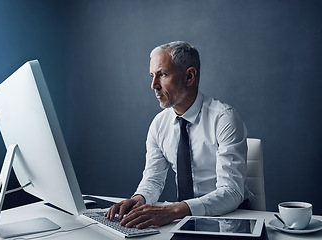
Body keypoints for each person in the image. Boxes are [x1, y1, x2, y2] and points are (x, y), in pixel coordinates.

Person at [105, 41, 252, 229]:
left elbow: (231, 192)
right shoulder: (159, 124)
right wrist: (139, 198)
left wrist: (173, 211)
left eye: (162, 74)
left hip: (228, 225)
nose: (153, 85)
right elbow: (153, 178)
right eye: (152, 76)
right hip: (183, 223)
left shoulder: (224, 119)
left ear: (189, 76)